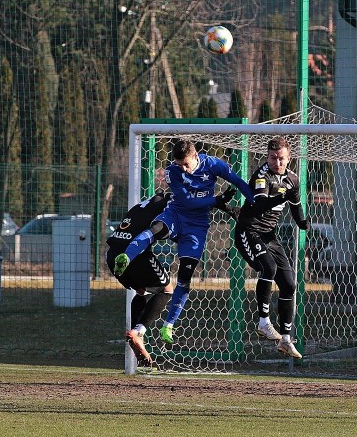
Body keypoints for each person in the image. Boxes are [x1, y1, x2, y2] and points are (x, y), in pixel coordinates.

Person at [113, 139, 254, 345]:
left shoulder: (213, 165)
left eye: (186, 164)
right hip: (176, 215)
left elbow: (240, 182)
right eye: (179, 165)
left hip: (197, 228)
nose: (184, 170)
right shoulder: (173, 172)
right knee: (154, 230)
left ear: (196, 156)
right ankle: (126, 256)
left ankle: (167, 325)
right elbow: (187, 201)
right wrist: (217, 200)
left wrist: (254, 202)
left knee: (185, 277)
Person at [234, 137, 310, 360]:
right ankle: (264, 321)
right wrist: (283, 195)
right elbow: (259, 204)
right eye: (273, 158)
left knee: (289, 284)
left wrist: (302, 222)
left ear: (289, 158)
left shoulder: (293, 179)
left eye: (281, 158)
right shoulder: (261, 176)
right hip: (248, 231)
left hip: (269, 236)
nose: (277, 162)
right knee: (268, 268)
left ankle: (286, 340)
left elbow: (295, 205)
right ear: (267, 157)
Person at [107, 190, 174, 369]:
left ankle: (137, 336)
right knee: (168, 289)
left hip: (112, 255)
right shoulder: (166, 207)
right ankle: (139, 331)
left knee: (140, 290)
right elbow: (159, 229)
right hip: (135, 255)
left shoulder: (143, 204)